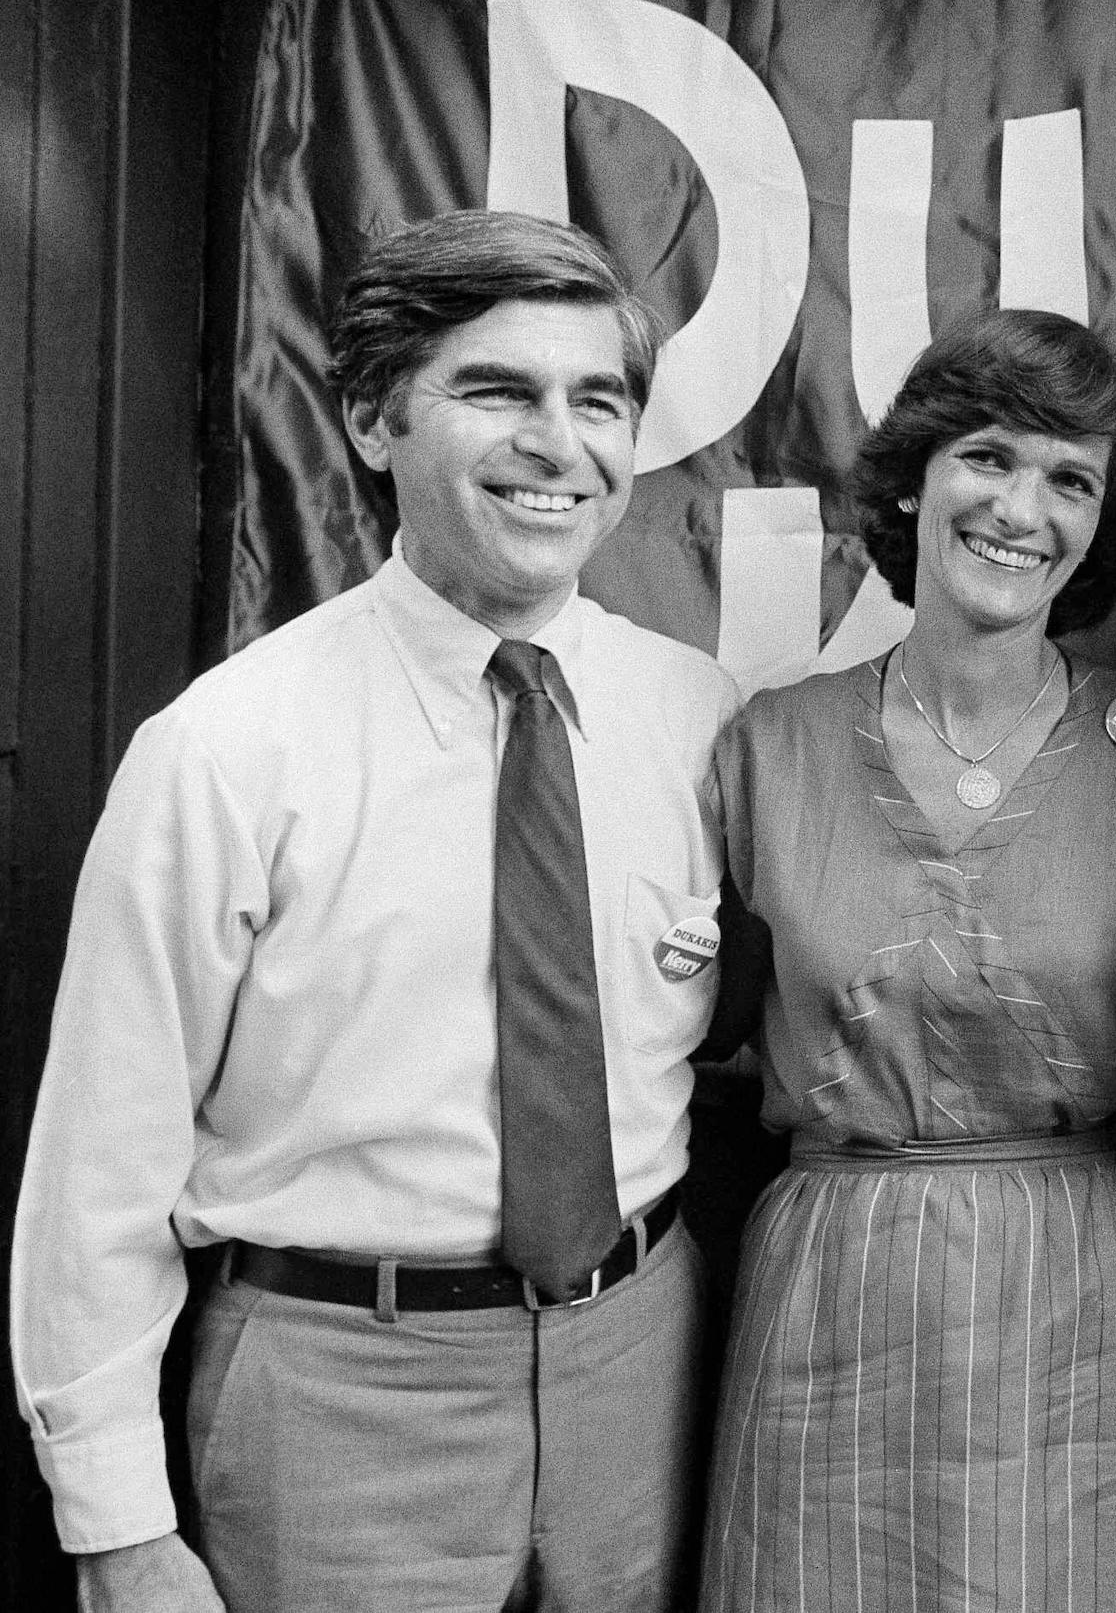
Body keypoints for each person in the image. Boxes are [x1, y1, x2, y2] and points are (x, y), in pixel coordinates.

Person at [10, 209, 738, 1612]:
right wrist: (114, 1525)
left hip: (641, 1377)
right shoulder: (229, 748)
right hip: (339, 1395)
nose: (557, 442)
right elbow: (101, 1159)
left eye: (597, 401)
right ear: (369, 421)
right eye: (496, 391)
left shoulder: (696, 718)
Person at [698, 308, 1116, 1613]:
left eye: (1070, 478)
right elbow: (693, 1031)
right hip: (834, 1298)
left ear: (1101, 527)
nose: (1023, 507)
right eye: (989, 456)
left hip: (1087, 1295)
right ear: (916, 476)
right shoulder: (769, 750)